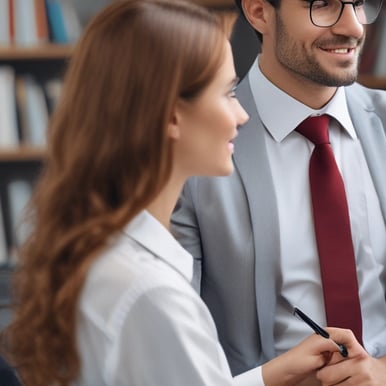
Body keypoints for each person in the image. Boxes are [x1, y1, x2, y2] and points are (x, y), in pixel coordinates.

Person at [0, 1, 364, 385]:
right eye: (227, 93)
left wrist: (268, 376)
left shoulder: (103, 256)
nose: (241, 115)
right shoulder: (152, 296)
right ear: (172, 114)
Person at [170, 0, 386, 383]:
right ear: (259, 12)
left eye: (359, 3)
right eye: (322, 5)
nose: (354, 27)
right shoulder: (200, 147)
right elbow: (173, 337)